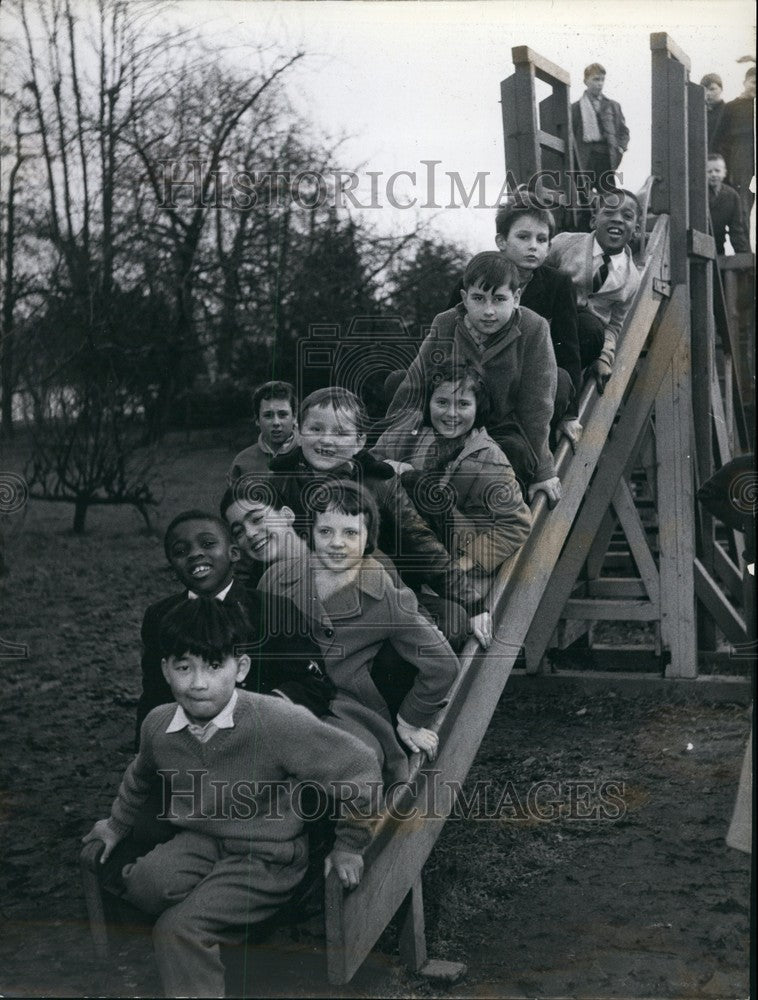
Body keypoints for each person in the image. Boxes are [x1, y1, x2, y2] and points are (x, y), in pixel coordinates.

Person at [83, 598, 381, 999]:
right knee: (143, 886)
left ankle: (200, 938)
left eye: (213, 666)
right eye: (183, 667)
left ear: (240, 669)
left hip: (267, 854)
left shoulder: (275, 720)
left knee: (176, 931)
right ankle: (214, 913)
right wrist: (116, 825)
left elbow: (359, 767)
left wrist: (349, 846)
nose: (198, 683)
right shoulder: (158, 724)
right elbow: (139, 775)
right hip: (202, 840)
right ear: (164, 670)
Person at [259, 480, 460, 784]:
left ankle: (353, 825)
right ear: (310, 534)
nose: (337, 543)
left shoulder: (382, 594)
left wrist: (410, 719)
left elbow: (442, 664)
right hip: (283, 695)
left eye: (350, 533)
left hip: (343, 705)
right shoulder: (276, 579)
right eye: (326, 531)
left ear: (368, 540)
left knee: (356, 758)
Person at [269, 386, 493, 651]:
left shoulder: (378, 483)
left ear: (360, 441)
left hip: (376, 590)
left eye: (340, 433)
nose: (326, 441)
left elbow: (420, 541)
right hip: (308, 597)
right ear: (298, 432)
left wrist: (473, 604)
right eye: (315, 430)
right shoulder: (280, 484)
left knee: (452, 620)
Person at [135, 510, 332, 745]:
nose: (195, 553)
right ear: (172, 567)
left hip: (262, 741)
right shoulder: (160, 616)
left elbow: (313, 684)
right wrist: (145, 753)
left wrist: (260, 715)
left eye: (208, 544)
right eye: (180, 551)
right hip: (188, 746)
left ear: (234, 553)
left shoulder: (272, 610)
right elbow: (154, 694)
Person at [386, 252, 560, 507]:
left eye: (499, 299)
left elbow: (537, 406)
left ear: (516, 298)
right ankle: (425, 496)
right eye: (479, 299)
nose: (489, 311)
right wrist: (388, 451)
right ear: (465, 299)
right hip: (450, 418)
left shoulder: (535, 328)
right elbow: (414, 386)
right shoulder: (445, 323)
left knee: (515, 454)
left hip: (499, 424)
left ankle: (495, 506)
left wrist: (543, 472)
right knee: (398, 382)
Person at [445, 198, 582, 450]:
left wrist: (570, 415)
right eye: (523, 237)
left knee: (560, 379)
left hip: (531, 377)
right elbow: (448, 336)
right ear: (501, 242)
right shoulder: (476, 278)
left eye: (541, 240)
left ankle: (536, 448)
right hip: (484, 376)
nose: (533, 247)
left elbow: (569, 351)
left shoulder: (557, 284)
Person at [374, 359, 531, 576]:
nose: (451, 414)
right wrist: (391, 466)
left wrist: (465, 563)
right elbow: (371, 462)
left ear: (478, 407)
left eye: (463, 404)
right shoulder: (408, 428)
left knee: (415, 483)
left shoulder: (489, 457)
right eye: (442, 402)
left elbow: (516, 524)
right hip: (402, 531)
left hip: (451, 544)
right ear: (428, 403)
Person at [546, 188, 642, 396]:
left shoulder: (632, 278)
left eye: (627, 216)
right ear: (593, 221)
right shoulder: (565, 244)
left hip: (582, 339)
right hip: (549, 325)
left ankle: (562, 389)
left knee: (591, 330)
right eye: (609, 213)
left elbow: (615, 325)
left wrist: (603, 358)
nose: (617, 219)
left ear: (636, 230)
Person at [228, 381, 299, 484]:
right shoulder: (242, 462)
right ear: (257, 419)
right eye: (268, 415)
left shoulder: (308, 456)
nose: (276, 422)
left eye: (283, 414)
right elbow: (232, 499)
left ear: (294, 417)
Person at [571, 63, 630, 186]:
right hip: (585, 159)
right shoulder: (575, 108)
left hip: (606, 159)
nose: (600, 83)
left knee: (610, 199)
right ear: (586, 81)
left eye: (602, 80)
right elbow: (571, 134)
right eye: (596, 79)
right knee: (583, 198)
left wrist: (620, 148)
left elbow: (623, 131)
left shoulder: (613, 106)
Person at [723, 66, 756, 221]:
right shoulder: (731, 107)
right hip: (742, 162)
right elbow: (721, 141)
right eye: (754, 82)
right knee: (743, 208)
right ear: (745, 82)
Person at [707, 153, 751, 255]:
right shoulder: (697, 195)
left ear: (724, 173)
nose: (713, 174)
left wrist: (742, 257)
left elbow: (737, 230)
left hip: (718, 250)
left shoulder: (732, 196)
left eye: (717, 171)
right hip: (698, 250)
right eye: (709, 171)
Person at [701, 74, 728, 155]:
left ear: (721, 89)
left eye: (712, 89)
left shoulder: (728, 110)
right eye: (704, 89)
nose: (708, 93)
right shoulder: (699, 112)